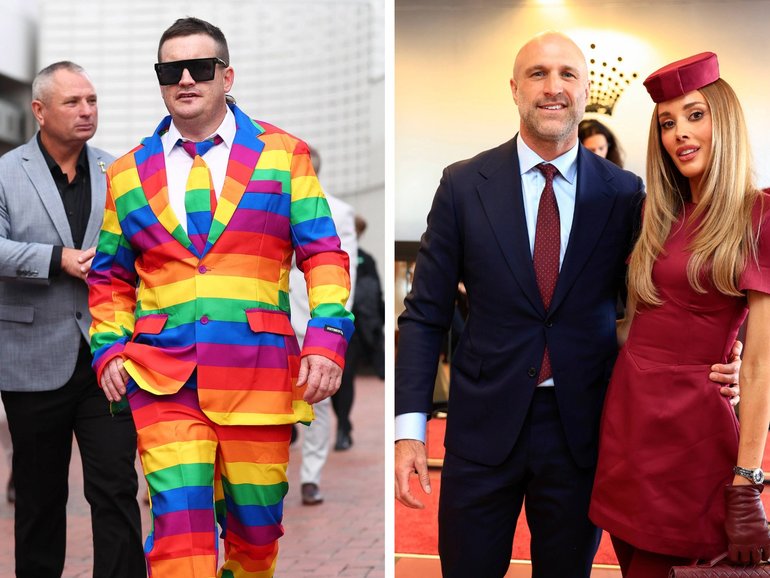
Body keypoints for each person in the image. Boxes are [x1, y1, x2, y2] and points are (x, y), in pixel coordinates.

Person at [394, 32, 741, 578]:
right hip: (482, 431)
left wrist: (728, 358)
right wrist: (409, 427)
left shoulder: (626, 195)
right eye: (537, 74)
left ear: (583, 93)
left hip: (587, 433)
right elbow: (425, 314)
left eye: (567, 75)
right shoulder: (464, 185)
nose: (553, 88)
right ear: (514, 88)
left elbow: (670, 299)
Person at [87, 17, 353, 577]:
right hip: (162, 378)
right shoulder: (128, 172)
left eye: (200, 68)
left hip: (258, 376)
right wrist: (109, 348)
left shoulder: (285, 155)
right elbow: (110, 276)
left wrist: (327, 338)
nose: (185, 78)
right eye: (170, 69)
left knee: (255, 541)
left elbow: (324, 255)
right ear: (160, 81)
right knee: (178, 539)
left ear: (226, 76)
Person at [590, 52, 770, 576]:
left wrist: (747, 481)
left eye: (695, 115)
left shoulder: (758, 215)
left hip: (693, 439)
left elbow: (759, 365)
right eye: (667, 123)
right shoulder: (655, 212)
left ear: (725, 119)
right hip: (626, 425)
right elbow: (635, 324)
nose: (679, 134)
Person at [0, 61, 144, 578]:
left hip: (108, 356)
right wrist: (55, 258)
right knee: (39, 499)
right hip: (32, 358)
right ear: (39, 111)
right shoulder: (5, 172)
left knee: (116, 487)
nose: (87, 111)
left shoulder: (119, 170)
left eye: (92, 101)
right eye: (72, 102)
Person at [289, 146, 358, 505]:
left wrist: (331, 332)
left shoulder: (340, 211)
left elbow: (347, 272)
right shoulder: (269, 199)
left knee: (317, 403)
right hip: (272, 321)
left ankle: (310, 476)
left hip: (315, 324)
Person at [333, 214, 385, 450]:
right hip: (329, 325)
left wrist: (376, 328)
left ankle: (343, 427)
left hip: (352, 329)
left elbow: (376, 297)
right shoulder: (331, 256)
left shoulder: (365, 260)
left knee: (345, 379)